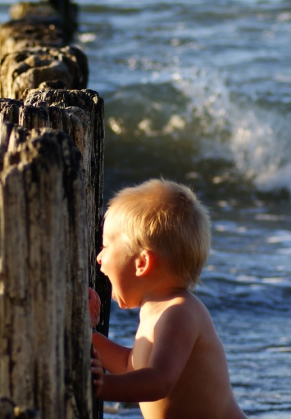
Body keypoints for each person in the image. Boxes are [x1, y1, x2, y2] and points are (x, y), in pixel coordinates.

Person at [89, 179, 246, 419]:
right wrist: (87, 336)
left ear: (142, 263)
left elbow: (158, 381)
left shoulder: (179, 313)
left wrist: (103, 386)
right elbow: (131, 363)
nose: (99, 257)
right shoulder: (155, 310)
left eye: (106, 245)